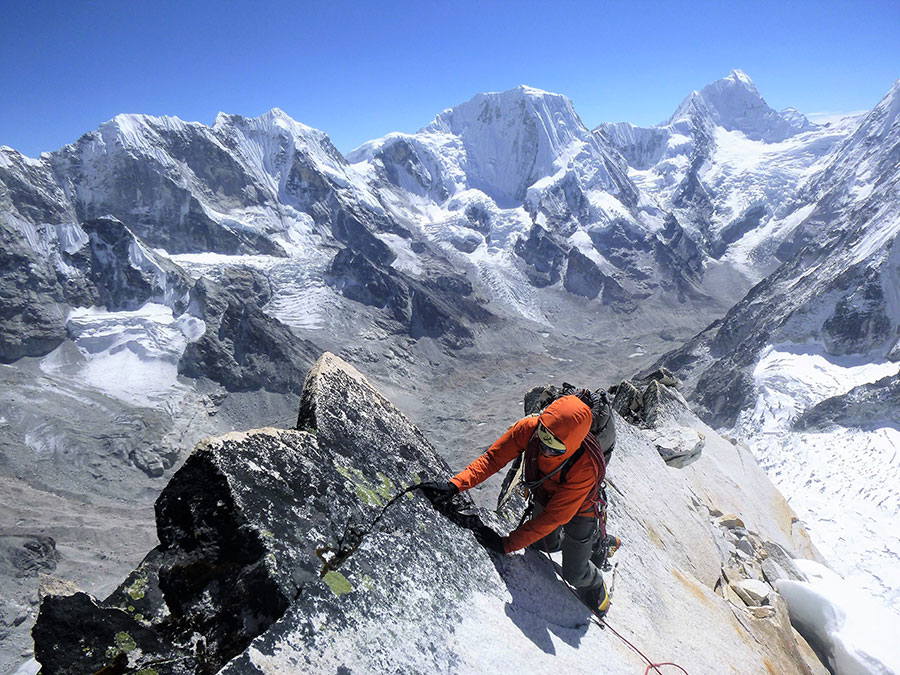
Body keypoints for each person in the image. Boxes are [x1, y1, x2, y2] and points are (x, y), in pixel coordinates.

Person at [423, 395, 612, 616]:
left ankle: (596, 580)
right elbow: (493, 459)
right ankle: (591, 542)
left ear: (572, 445)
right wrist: (455, 485)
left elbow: (554, 517)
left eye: (555, 447)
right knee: (543, 544)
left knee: (575, 574)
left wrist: (507, 544)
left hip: (581, 510)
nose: (544, 448)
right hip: (546, 494)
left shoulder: (585, 466)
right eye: (544, 436)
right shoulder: (530, 430)